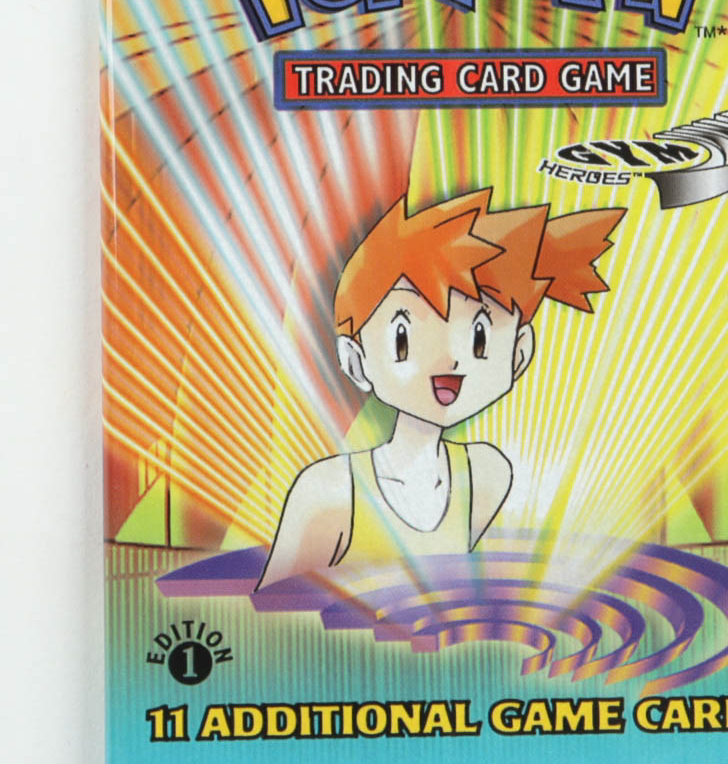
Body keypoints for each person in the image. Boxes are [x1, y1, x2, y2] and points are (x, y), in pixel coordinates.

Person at [257, 188, 624, 583]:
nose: (448, 360)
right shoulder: (329, 493)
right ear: (356, 360)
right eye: (403, 337)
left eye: (478, 337)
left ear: (519, 353)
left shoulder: (486, 474)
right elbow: (272, 612)